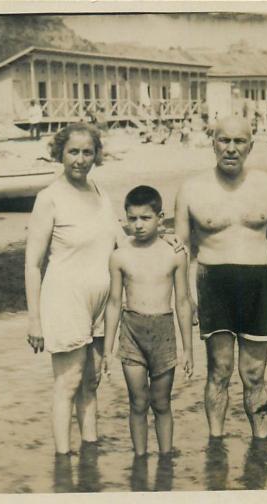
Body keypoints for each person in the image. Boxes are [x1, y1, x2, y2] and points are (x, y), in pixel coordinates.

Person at [174, 116, 267, 441]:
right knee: (219, 371)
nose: (231, 148)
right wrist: (184, 298)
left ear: (250, 146)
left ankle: (261, 444)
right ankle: (216, 443)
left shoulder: (265, 184)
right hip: (213, 284)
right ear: (212, 143)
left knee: (254, 374)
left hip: (258, 285)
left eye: (239, 141)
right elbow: (180, 248)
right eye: (224, 140)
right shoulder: (191, 188)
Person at [25, 123, 124, 456]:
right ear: (60, 153)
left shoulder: (100, 192)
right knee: (68, 383)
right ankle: (63, 463)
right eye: (73, 152)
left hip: (102, 303)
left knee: (91, 382)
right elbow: (32, 265)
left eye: (87, 152)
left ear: (96, 154)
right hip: (65, 299)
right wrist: (34, 321)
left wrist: (166, 245)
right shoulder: (49, 198)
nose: (81, 159)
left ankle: (90, 454)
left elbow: (121, 243)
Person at [102, 186, 194, 457]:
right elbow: (114, 303)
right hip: (132, 332)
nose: (138, 225)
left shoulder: (175, 253)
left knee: (162, 402)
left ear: (161, 218)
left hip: (163, 332)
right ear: (125, 219)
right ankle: (140, 460)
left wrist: (188, 349)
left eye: (146, 218)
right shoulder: (119, 255)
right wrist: (107, 350)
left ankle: (166, 462)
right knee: (138, 402)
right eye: (132, 219)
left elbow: (183, 302)